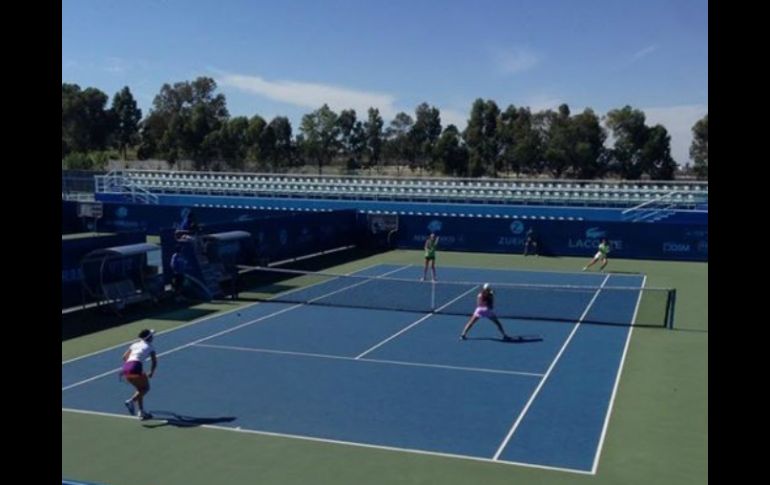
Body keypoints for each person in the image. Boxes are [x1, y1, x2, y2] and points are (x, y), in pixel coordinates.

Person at [121, 329, 157, 420]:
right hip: (136, 367)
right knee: (146, 388)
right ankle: (131, 401)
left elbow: (124, 357)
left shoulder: (134, 344)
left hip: (126, 368)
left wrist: (130, 366)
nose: (153, 337)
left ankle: (141, 411)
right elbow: (154, 361)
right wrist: (151, 372)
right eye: (152, 335)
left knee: (140, 389)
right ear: (149, 338)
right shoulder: (150, 346)